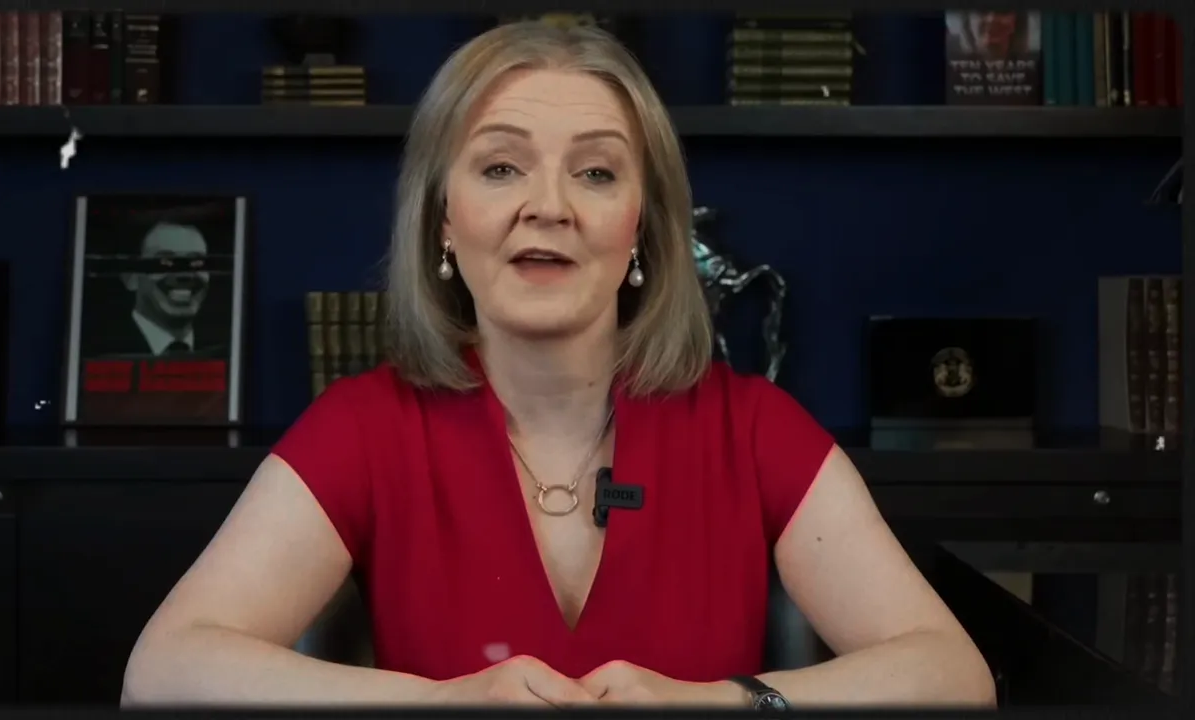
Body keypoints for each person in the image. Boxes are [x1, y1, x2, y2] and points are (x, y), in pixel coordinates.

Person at [121, 21, 996, 708]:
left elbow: (953, 673)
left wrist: (724, 702)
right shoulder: (365, 427)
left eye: (596, 173)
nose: (548, 207)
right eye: (501, 167)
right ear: (443, 223)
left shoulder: (753, 428)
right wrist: (443, 704)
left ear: (645, 230)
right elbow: (164, 668)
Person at [83, 220, 216, 358]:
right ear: (130, 276)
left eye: (197, 262)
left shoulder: (225, 351)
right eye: (164, 262)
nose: (184, 275)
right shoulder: (96, 352)